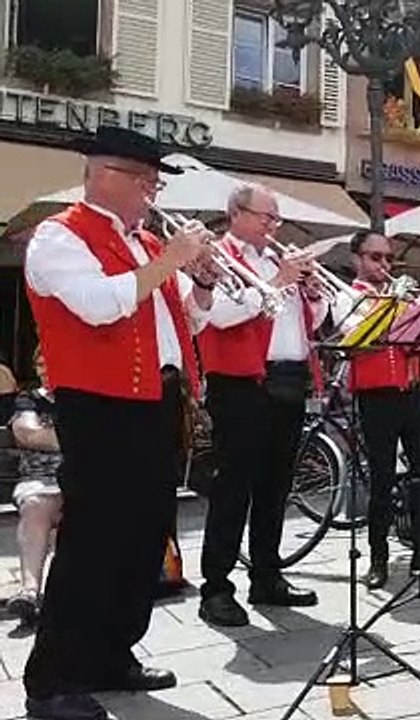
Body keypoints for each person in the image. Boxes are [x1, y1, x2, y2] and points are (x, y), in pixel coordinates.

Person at [23, 127, 215, 720]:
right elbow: (100, 304)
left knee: (143, 535)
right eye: (147, 183)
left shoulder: (141, 242)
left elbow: (193, 321)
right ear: (109, 175)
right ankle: (52, 679)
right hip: (100, 405)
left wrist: (201, 279)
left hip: (154, 401)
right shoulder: (58, 236)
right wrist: (169, 260)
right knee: (93, 540)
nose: (152, 195)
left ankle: (112, 653)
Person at [196, 184, 323, 627]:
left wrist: (310, 292)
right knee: (234, 487)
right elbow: (220, 316)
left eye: (276, 219)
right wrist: (279, 281)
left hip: (288, 379)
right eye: (267, 217)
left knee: (276, 486)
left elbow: (312, 322)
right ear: (236, 214)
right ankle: (216, 588)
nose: (274, 227)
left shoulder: (274, 261)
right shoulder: (216, 256)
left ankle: (267, 575)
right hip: (240, 384)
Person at [342, 230, 420, 588]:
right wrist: (396, 309)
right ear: (357, 259)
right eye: (375, 257)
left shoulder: (406, 299)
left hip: (413, 392)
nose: (384, 265)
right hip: (377, 396)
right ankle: (377, 558)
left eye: (388, 258)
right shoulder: (350, 296)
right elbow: (358, 340)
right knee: (381, 478)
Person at [6, 347, 61, 628]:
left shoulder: (81, 397)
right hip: (41, 481)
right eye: (40, 364)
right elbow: (28, 433)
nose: (45, 369)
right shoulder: (30, 399)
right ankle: (30, 592)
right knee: (36, 506)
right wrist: (78, 438)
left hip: (82, 479)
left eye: (50, 361)